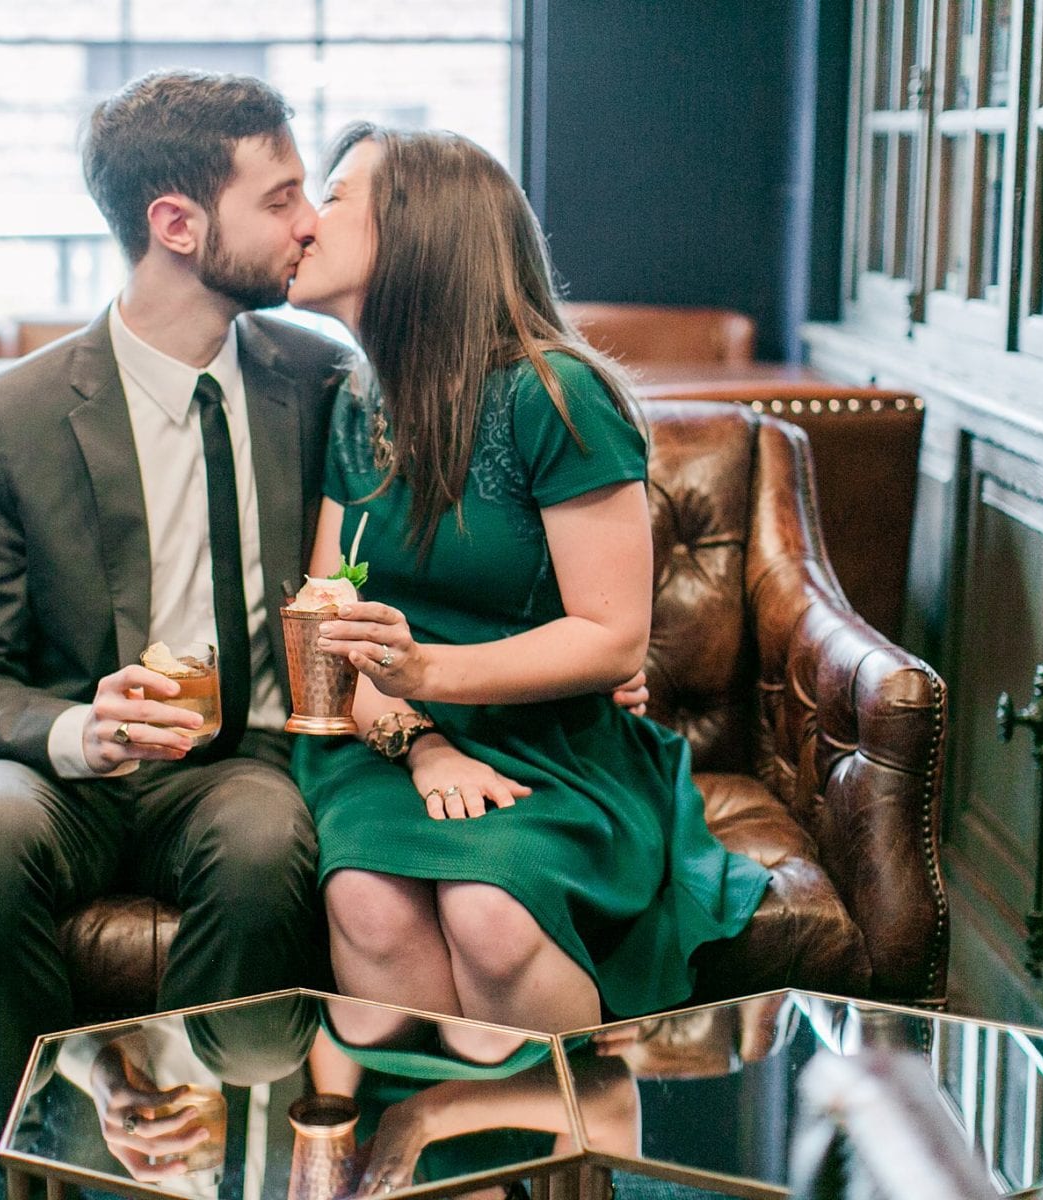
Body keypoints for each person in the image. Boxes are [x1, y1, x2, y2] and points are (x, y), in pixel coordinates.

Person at [0, 69, 352, 1153]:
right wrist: (84, 728)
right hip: (56, 763)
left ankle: (201, 1152)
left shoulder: (319, 382)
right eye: (278, 199)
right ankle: (63, 1161)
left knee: (270, 839)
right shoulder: (7, 420)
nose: (307, 224)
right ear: (175, 223)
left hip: (240, 766)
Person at [284, 123, 772, 1036]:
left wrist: (429, 672)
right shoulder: (356, 400)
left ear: (419, 229)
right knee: (366, 900)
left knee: (493, 914)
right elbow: (328, 636)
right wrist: (425, 743)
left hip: (551, 744)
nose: (307, 221)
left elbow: (611, 637)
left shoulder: (554, 397)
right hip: (387, 741)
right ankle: (425, 1164)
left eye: (336, 195)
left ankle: (552, 1164)